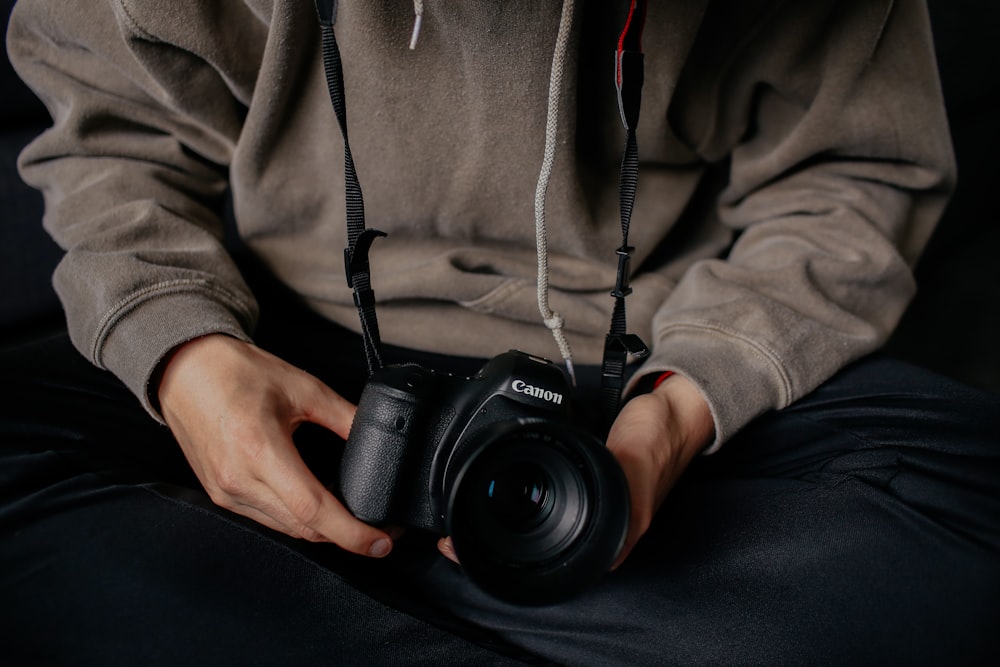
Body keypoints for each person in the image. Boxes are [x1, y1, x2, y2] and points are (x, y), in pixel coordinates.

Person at [3, 0, 997, 664]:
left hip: (651, 364)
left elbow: (849, 185)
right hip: (303, 360)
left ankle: (319, 597)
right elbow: (110, 132)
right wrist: (187, 357)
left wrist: (678, 416)